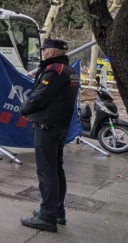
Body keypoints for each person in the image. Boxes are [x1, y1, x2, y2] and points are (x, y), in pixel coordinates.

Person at [18, 39, 79, 233]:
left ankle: (47, 216)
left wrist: (24, 109)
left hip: (47, 126)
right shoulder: (70, 71)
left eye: (44, 50)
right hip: (60, 126)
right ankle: (57, 210)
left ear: (51, 52)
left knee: (46, 171)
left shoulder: (55, 71)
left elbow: (39, 96)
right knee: (56, 169)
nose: (42, 52)